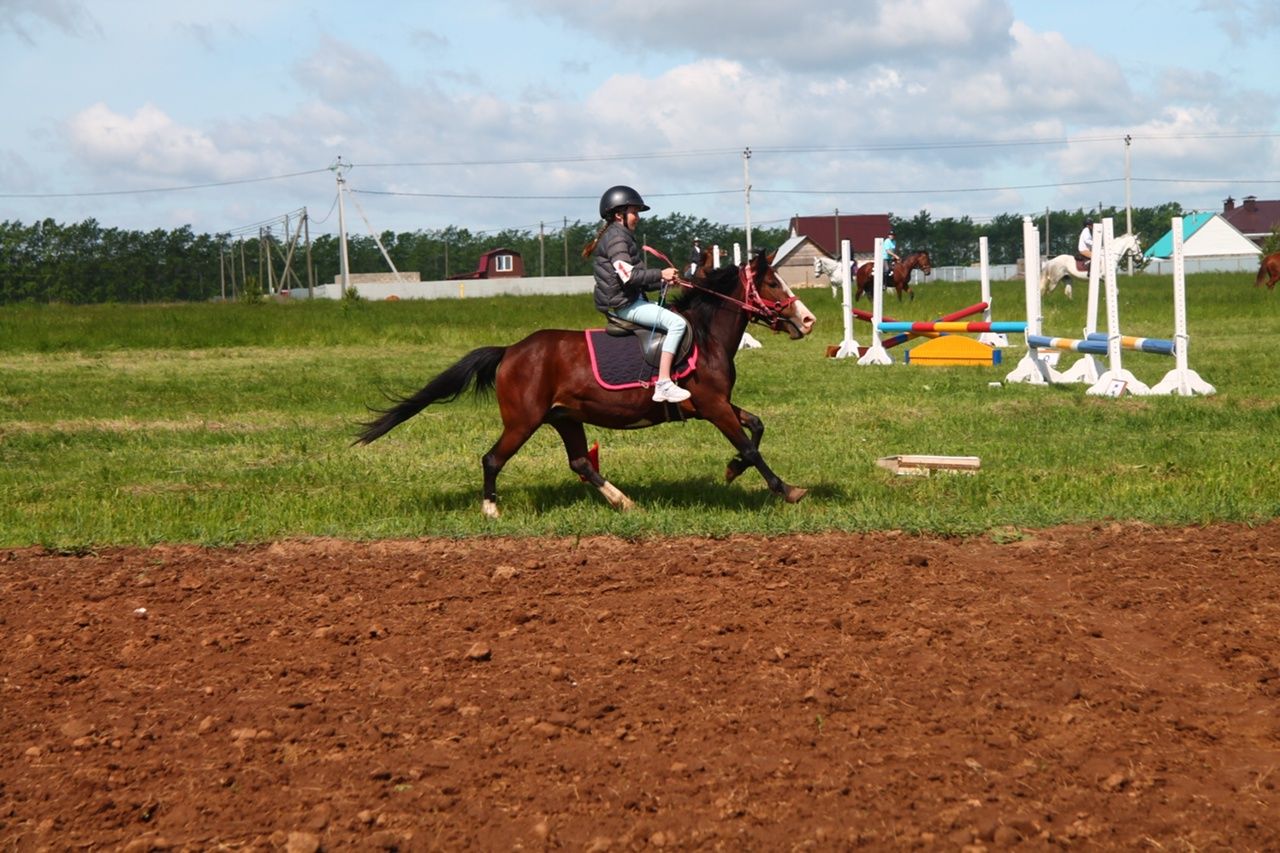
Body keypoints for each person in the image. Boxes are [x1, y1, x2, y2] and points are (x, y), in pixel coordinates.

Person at [589, 185, 690, 403]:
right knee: (677, 324)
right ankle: (663, 383)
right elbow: (629, 276)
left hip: (631, 299)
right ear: (619, 215)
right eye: (634, 212)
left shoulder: (620, 235)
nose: (638, 217)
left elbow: (639, 278)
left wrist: (662, 280)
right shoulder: (617, 239)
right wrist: (661, 273)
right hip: (626, 305)